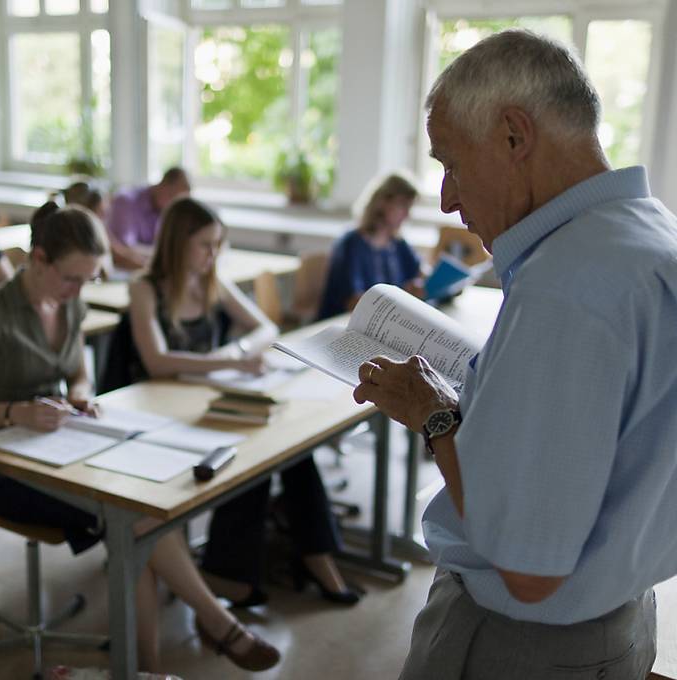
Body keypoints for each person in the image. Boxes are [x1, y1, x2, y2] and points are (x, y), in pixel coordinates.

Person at [353, 29, 677, 678]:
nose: (446, 196)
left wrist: (434, 416)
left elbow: (528, 566)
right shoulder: (649, 232)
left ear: (512, 135)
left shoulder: (569, 285)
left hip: (520, 642)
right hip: (622, 616)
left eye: (450, 162)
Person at [0, 201, 280, 674]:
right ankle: (216, 624)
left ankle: (145, 667)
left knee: (139, 515)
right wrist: (14, 412)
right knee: (136, 521)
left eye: (87, 281)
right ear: (38, 259)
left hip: (57, 445)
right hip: (9, 466)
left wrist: (82, 395)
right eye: (71, 279)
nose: (77, 291)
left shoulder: (70, 304)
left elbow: (78, 371)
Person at [129, 196, 362, 608]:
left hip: (208, 398)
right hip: (166, 409)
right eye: (205, 244)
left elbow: (265, 326)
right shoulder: (146, 288)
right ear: (177, 243)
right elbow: (157, 361)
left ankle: (314, 555)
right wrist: (216, 361)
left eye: (218, 243)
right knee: (255, 453)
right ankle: (240, 569)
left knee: (289, 448)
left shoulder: (210, 281)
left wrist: (235, 350)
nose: (214, 254)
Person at [317, 172, 425, 320]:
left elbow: (420, 275)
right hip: (345, 324)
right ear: (382, 201)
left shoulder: (397, 243)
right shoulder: (351, 245)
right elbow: (353, 303)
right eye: (403, 205)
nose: (407, 214)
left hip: (383, 322)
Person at [106, 167, 191, 270]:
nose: (173, 204)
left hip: (146, 269)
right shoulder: (126, 202)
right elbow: (125, 248)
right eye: (172, 196)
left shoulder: (166, 209)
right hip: (121, 270)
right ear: (164, 185)